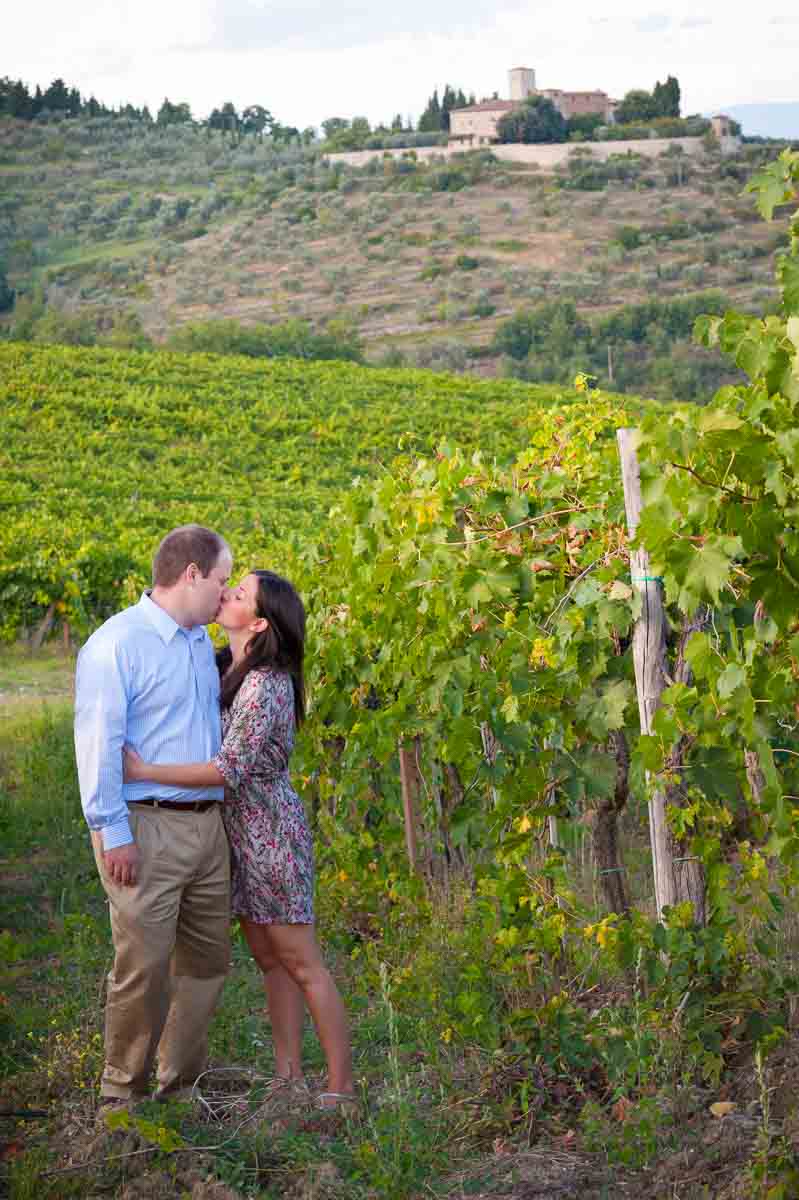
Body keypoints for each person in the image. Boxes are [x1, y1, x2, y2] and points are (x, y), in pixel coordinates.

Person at [124, 569, 355, 1109]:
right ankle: (288, 1080)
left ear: (257, 621)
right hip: (236, 837)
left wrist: (145, 771)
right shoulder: (228, 667)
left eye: (239, 593)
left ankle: (341, 1089)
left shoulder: (268, 683)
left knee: (302, 962)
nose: (225, 594)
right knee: (271, 963)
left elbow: (229, 768)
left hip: (270, 835)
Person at [74, 524, 233, 1112]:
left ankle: (179, 1085)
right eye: (220, 580)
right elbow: (97, 743)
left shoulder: (196, 640)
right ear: (191, 575)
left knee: (206, 960)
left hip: (207, 827)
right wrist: (112, 832)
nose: (225, 593)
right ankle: (123, 1094)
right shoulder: (118, 643)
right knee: (143, 966)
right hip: (144, 826)